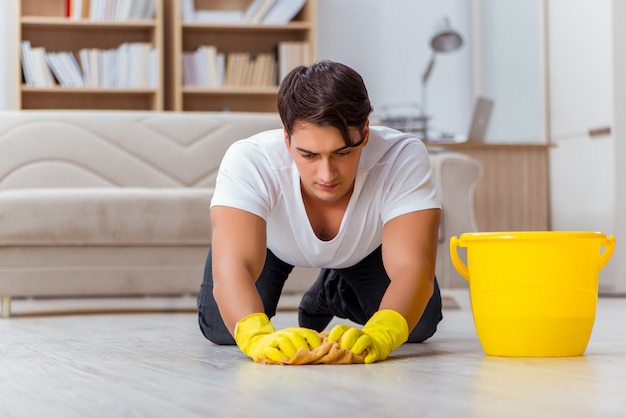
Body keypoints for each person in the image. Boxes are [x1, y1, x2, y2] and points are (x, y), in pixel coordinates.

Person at [197, 60, 443, 364]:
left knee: (418, 325)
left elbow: (413, 268)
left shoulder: (401, 156)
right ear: (286, 139)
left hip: (364, 249)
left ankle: (332, 289)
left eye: (342, 153)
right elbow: (233, 265)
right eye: (309, 155)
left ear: (365, 133)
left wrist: (382, 333)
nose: (326, 174)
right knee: (223, 329)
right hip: (269, 245)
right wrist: (257, 338)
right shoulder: (250, 159)